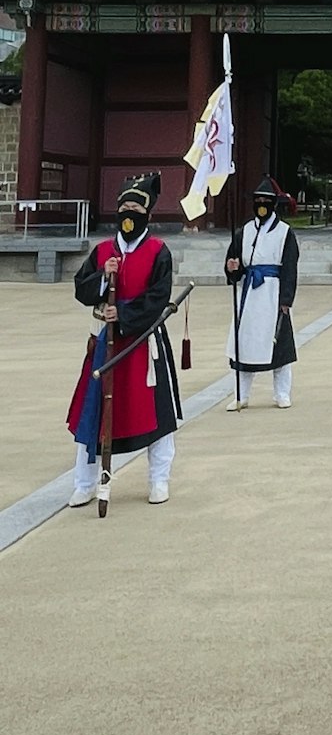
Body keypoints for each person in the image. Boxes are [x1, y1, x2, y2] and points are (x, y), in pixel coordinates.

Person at [66, 172, 182, 507]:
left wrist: (127, 317)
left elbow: (159, 296)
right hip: (107, 344)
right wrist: (104, 279)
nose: (128, 212)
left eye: (136, 206)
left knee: (157, 414)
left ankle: (159, 479)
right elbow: (81, 288)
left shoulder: (159, 251)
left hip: (144, 341)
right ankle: (85, 483)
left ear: (147, 213)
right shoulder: (103, 251)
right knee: (92, 413)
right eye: (124, 206)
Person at [224, 175, 299, 410]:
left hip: (273, 293)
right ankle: (241, 395)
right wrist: (233, 269)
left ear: (274, 203)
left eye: (266, 201)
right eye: (258, 201)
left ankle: (282, 393)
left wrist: (286, 299)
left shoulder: (285, 233)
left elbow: (290, 267)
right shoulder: (244, 231)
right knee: (244, 344)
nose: (261, 206)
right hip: (249, 294)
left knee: (280, 346)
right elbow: (233, 260)